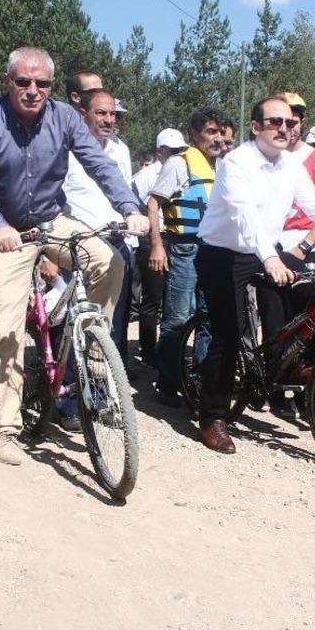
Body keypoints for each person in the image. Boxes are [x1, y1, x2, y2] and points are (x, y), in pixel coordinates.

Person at [0, 46, 148, 466]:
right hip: (4, 227)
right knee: (4, 328)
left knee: (109, 261)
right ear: (7, 82)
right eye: (22, 82)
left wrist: (130, 208)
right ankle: (5, 429)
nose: (32, 90)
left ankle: (93, 349)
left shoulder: (64, 117)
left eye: (41, 83)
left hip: (52, 219)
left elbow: (99, 164)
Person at [194, 96, 315, 454]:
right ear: (256, 126)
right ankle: (213, 417)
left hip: (263, 249)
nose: (284, 128)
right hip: (223, 252)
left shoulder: (291, 164)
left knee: (285, 320)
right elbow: (245, 216)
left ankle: (274, 374)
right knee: (228, 335)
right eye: (274, 122)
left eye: (289, 122)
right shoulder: (236, 162)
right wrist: (270, 259)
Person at [145, 107, 229, 406]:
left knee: (210, 318)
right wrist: (157, 245)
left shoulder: (223, 166)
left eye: (221, 131)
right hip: (184, 248)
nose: (217, 137)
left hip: (215, 251)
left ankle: (201, 378)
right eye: (210, 132)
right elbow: (153, 204)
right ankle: (168, 382)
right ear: (195, 134)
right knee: (177, 319)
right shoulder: (179, 164)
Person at [62, 89, 135, 365]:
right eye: (100, 113)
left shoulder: (121, 150)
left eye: (112, 114)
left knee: (112, 323)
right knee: (73, 323)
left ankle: (106, 388)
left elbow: (123, 192)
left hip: (116, 243)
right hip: (77, 246)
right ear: (83, 114)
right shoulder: (66, 151)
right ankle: (68, 394)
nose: (108, 120)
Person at [131, 129, 184, 367]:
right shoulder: (145, 176)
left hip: (173, 237)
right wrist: (155, 243)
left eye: (178, 150)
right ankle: (148, 350)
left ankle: (168, 348)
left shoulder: (181, 169)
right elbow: (147, 208)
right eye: (169, 150)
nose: (173, 154)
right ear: (159, 150)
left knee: (172, 297)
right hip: (152, 238)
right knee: (152, 296)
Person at [275, 92, 315, 278]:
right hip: (270, 247)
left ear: (302, 123)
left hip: (307, 246)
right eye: (279, 122)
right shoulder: (262, 159)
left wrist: (303, 247)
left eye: (292, 123)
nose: (287, 129)